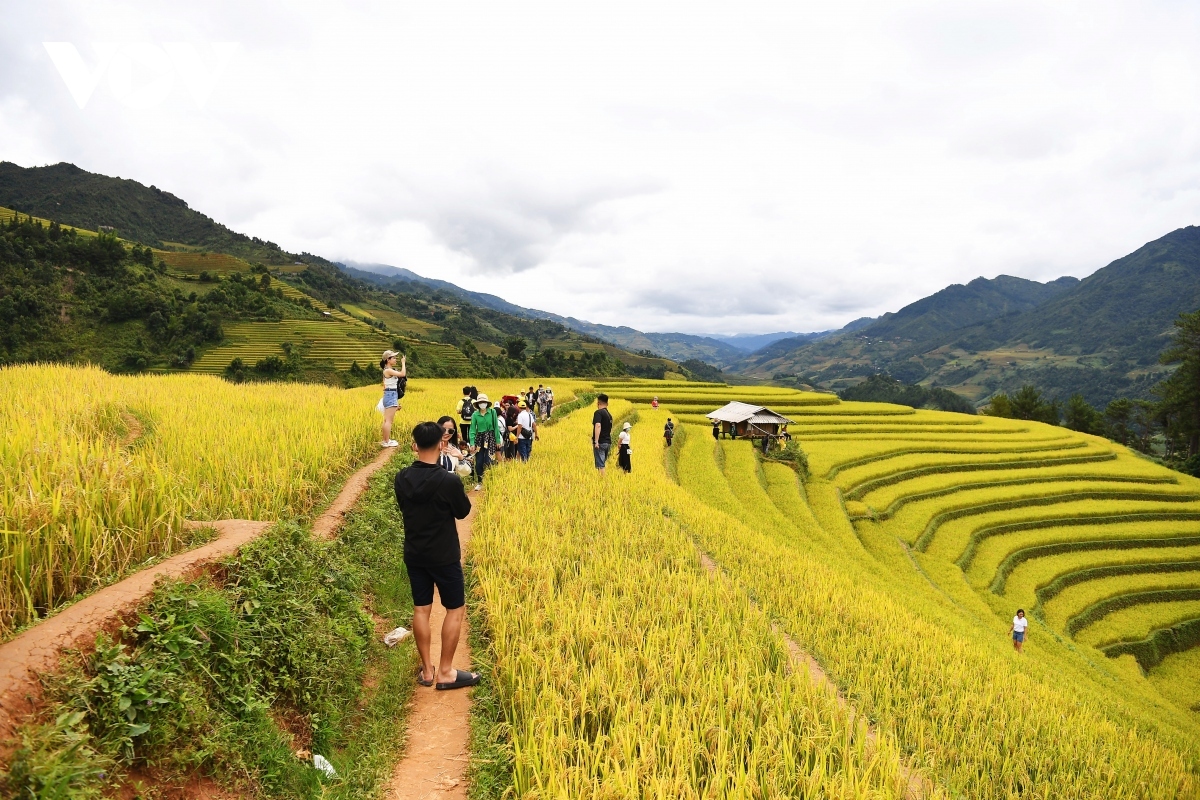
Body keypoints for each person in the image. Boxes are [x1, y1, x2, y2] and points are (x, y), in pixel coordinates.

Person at [394, 421, 480, 691]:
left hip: (415, 554)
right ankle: (445, 671)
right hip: (444, 556)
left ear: (414, 445)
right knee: (454, 609)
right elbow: (463, 511)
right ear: (442, 444)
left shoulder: (401, 478)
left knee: (421, 608)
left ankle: (427, 670)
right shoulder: (448, 480)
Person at [467, 394, 498, 491]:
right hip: (480, 439)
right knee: (479, 461)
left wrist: (498, 440)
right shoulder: (475, 415)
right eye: (480, 402)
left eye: (484, 402)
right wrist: (472, 443)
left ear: (487, 403)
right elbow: (472, 430)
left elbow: (496, 427)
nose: (482, 404)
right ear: (478, 404)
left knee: (488, 460)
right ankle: (480, 482)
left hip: (491, 438)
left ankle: (489, 480)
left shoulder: (492, 412)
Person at [379, 350, 407, 447]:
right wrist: (403, 362)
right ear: (388, 359)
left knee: (387, 420)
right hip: (391, 394)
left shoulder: (386, 370)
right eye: (393, 358)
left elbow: (384, 386)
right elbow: (403, 374)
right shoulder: (388, 370)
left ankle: (385, 440)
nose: (396, 359)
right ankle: (386, 442)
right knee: (389, 421)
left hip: (390, 394)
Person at [592, 393, 613, 472]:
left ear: (598, 403)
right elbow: (609, 429)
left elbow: (597, 425)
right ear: (607, 404)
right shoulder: (609, 415)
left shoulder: (598, 413)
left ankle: (603, 482)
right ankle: (600, 481)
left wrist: (596, 441)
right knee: (602, 463)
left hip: (600, 442)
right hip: (607, 443)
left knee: (600, 465)